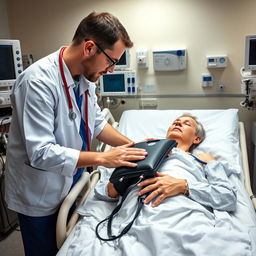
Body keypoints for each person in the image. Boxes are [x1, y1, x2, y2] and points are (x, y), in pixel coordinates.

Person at [4, 12, 147, 256]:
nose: (111, 70)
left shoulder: (85, 79)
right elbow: (41, 152)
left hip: (70, 182)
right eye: (111, 61)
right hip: (39, 192)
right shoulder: (38, 82)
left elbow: (98, 124)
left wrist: (132, 144)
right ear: (90, 48)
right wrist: (103, 158)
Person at [67, 114, 248, 256]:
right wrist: (122, 181)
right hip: (136, 214)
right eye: (175, 121)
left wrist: (183, 186)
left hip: (185, 214)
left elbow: (227, 197)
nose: (178, 123)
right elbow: (104, 192)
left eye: (186, 124)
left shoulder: (203, 159)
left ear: (196, 139)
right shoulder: (144, 150)